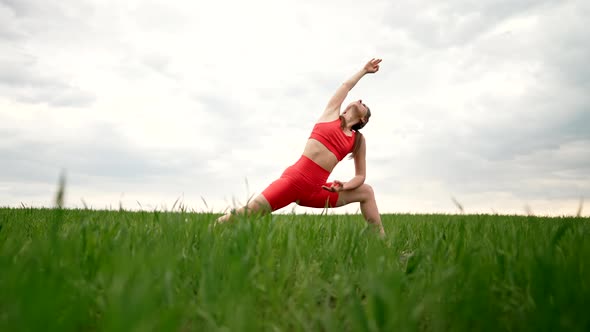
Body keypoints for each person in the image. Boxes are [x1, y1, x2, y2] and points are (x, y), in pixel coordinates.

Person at [216, 58, 385, 236]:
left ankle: (383, 247)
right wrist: (364, 71)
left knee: (366, 191)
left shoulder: (358, 140)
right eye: (359, 100)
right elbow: (346, 86)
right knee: (248, 213)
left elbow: (360, 176)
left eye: (364, 105)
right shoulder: (331, 114)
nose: (359, 100)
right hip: (292, 182)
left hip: (317, 191)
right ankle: (209, 232)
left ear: (363, 120)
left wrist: (344, 186)